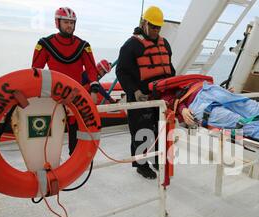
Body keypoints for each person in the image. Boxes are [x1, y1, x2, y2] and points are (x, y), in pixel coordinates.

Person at [116, 6, 175, 179]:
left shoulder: (165, 43)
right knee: (141, 133)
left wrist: (173, 88)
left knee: (160, 131)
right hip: (140, 99)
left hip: (161, 98)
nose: (156, 31)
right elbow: (121, 71)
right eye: (153, 27)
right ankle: (141, 165)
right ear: (144, 23)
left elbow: (169, 68)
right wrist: (134, 91)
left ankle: (157, 159)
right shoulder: (131, 45)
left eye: (159, 27)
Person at [32, 7, 100, 155]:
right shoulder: (44, 44)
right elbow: (35, 71)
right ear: (58, 23)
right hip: (53, 97)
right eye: (66, 22)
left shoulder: (84, 46)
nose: (69, 26)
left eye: (72, 22)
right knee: (51, 131)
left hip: (76, 95)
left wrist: (94, 90)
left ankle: (74, 158)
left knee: (75, 130)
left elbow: (91, 70)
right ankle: (48, 160)